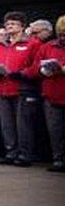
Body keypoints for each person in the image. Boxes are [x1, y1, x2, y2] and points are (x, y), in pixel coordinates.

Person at [0, 11, 40, 167]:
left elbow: (37, 65)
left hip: (22, 88)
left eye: (14, 23)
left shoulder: (32, 43)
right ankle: (11, 152)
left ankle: (25, 154)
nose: (10, 26)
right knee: (6, 124)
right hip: (1, 88)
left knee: (23, 124)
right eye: (7, 24)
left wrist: (22, 74)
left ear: (22, 26)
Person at [24, 14, 65, 172]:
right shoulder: (48, 47)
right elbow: (34, 69)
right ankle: (58, 159)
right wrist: (42, 70)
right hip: (51, 95)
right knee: (55, 131)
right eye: (61, 34)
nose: (62, 38)